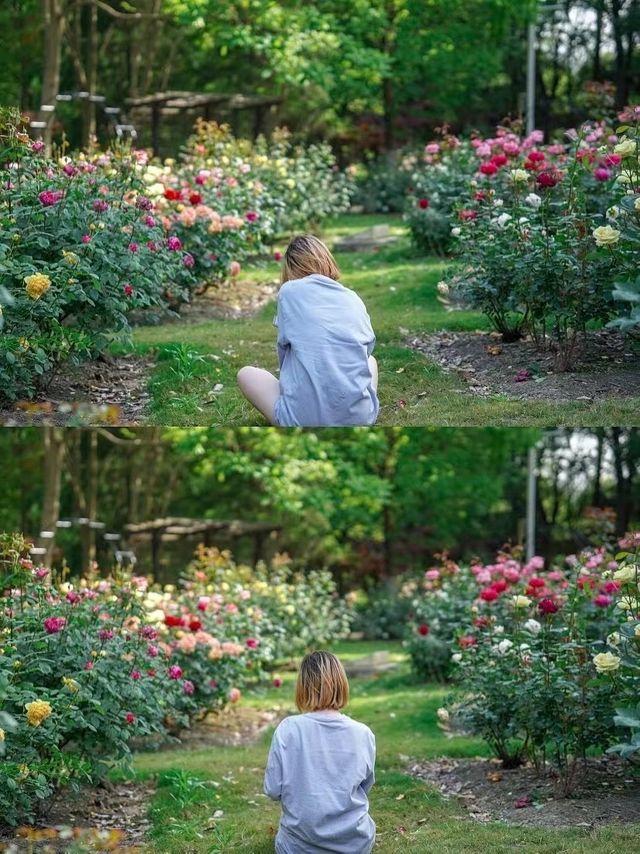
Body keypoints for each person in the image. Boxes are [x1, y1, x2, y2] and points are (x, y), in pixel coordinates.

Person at [237, 235, 379, 426]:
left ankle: (303, 407)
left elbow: (284, 353)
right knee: (371, 361)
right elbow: (366, 351)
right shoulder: (353, 298)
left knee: (246, 374)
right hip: (360, 419)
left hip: (300, 420)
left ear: (291, 268)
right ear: (326, 260)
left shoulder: (288, 292)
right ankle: (356, 408)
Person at [264, 650, 376, 854]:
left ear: (303, 686)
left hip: (298, 847)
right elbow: (364, 787)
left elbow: (272, 789)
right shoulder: (363, 734)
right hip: (355, 844)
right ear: (342, 683)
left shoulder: (288, 729)